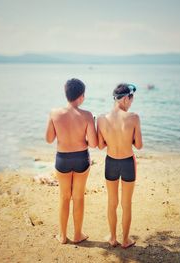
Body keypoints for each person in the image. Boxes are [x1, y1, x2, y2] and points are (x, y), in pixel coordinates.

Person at [45, 78, 98, 244]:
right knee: (79, 197)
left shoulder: (54, 113)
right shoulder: (87, 115)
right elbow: (94, 143)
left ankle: (62, 236)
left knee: (64, 197)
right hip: (81, 158)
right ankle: (77, 235)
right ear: (81, 96)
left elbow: (49, 139)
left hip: (62, 159)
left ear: (66, 94)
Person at [97, 83, 143, 248]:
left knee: (112, 201)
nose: (131, 103)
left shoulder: (101, 118)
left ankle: (112, 237)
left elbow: (101, 146)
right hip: (128, 163)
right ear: (125, 98)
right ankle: (125, 240)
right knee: (126, 203)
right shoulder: (134, 117)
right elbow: (138, 145)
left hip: (111, 162)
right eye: (131, 100)